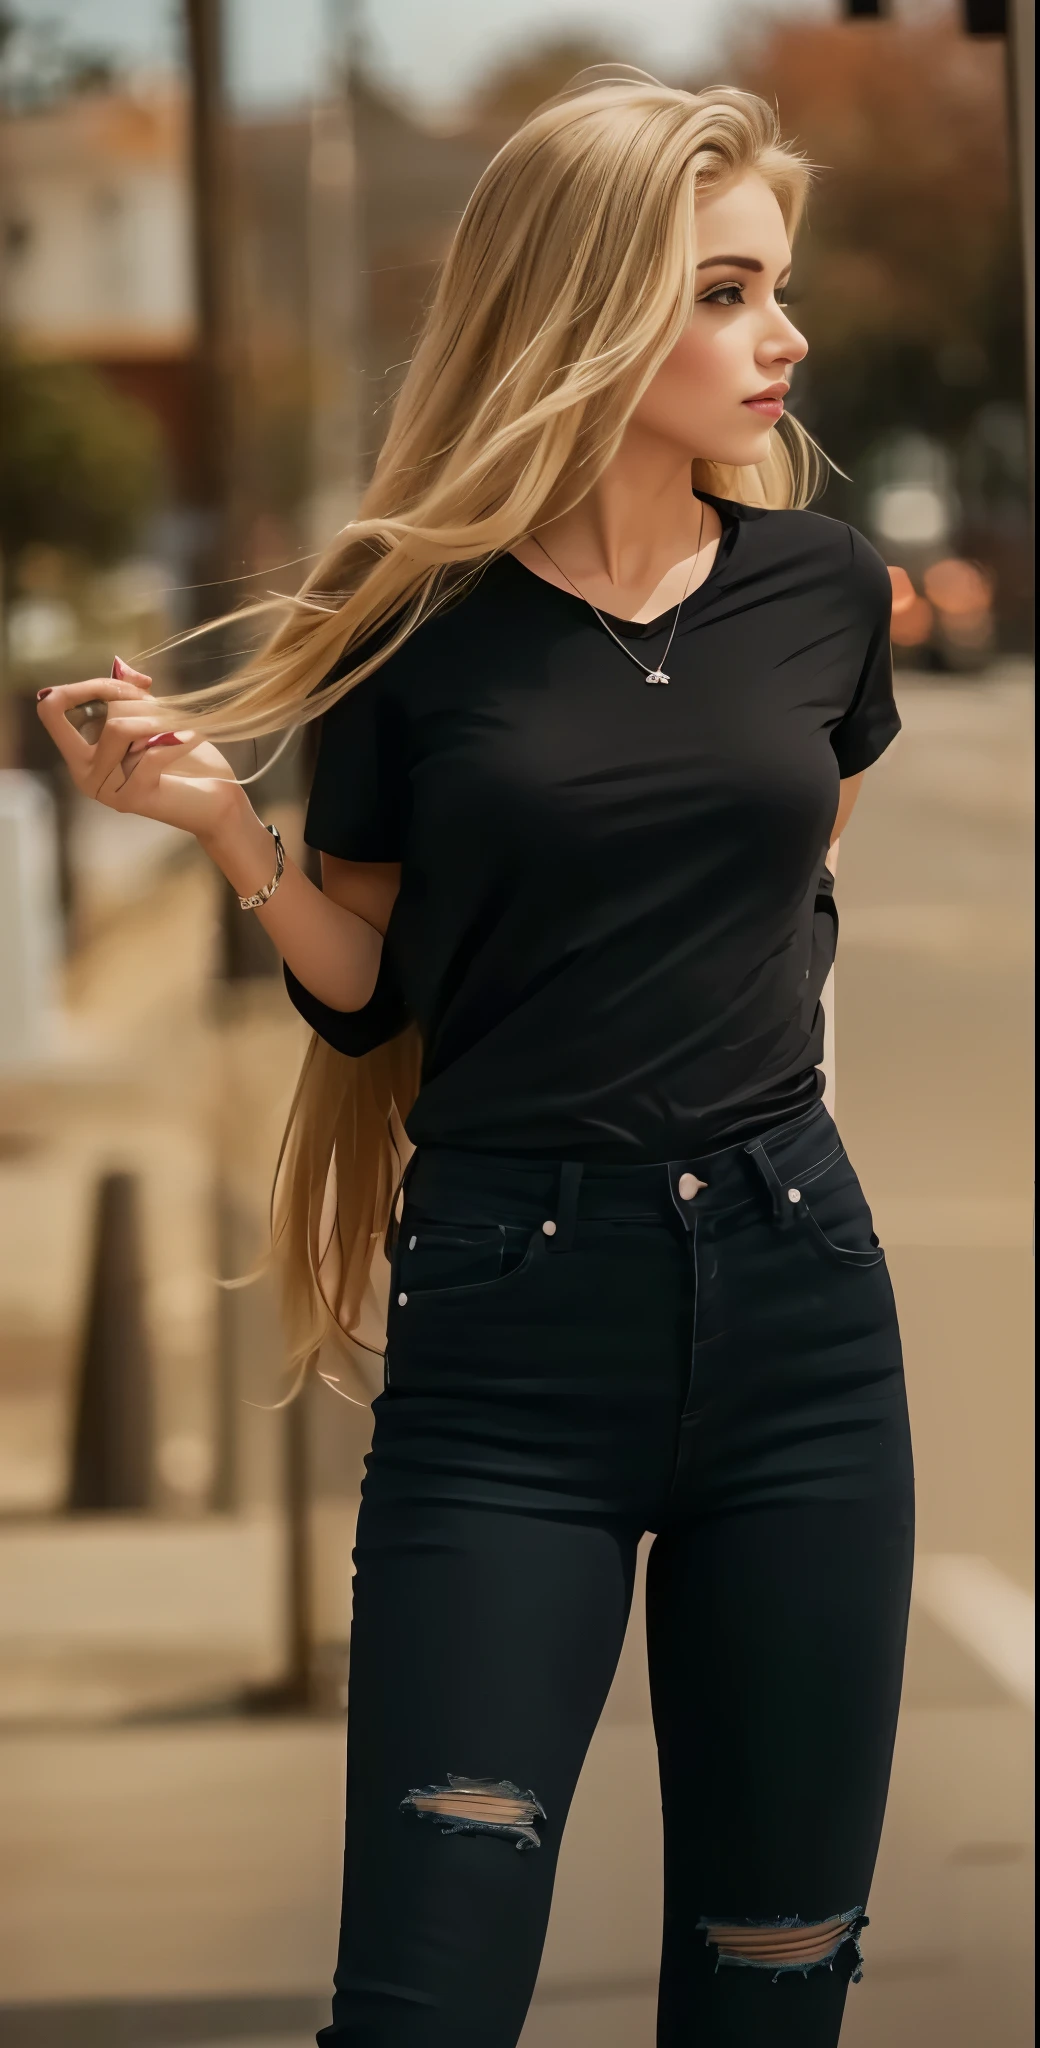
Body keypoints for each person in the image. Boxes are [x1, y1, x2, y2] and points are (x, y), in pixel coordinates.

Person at [38, 74, 914, 2048]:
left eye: (776, 287)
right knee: (419, 2007)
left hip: (800, 1323)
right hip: (510, 1340)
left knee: (769, 1996)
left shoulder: (823, 594)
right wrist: (228, 838)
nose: (780, 335)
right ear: (594, 305)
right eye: (725, 291)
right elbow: (376, 990)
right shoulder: (412, 626)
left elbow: (798, 912)